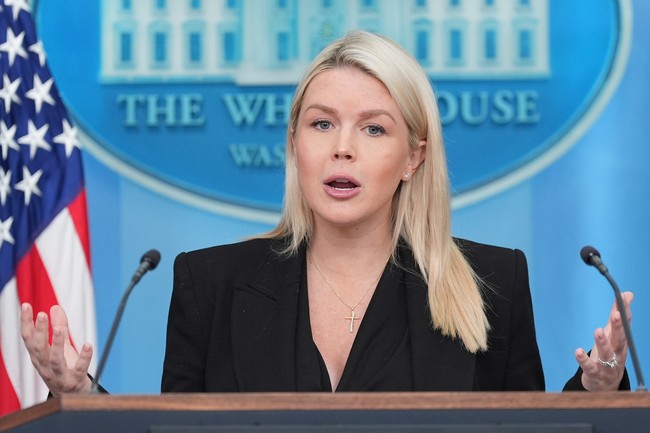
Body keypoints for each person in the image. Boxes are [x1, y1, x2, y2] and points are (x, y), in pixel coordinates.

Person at [21, 30, 631, 395]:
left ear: (413, 157)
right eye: (321, 124)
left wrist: (600, 388)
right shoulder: (210, 284)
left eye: (373, 128)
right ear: (295, 144)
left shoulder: (492, 283)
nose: (342, 147)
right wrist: (80, 396)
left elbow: (529, 426)